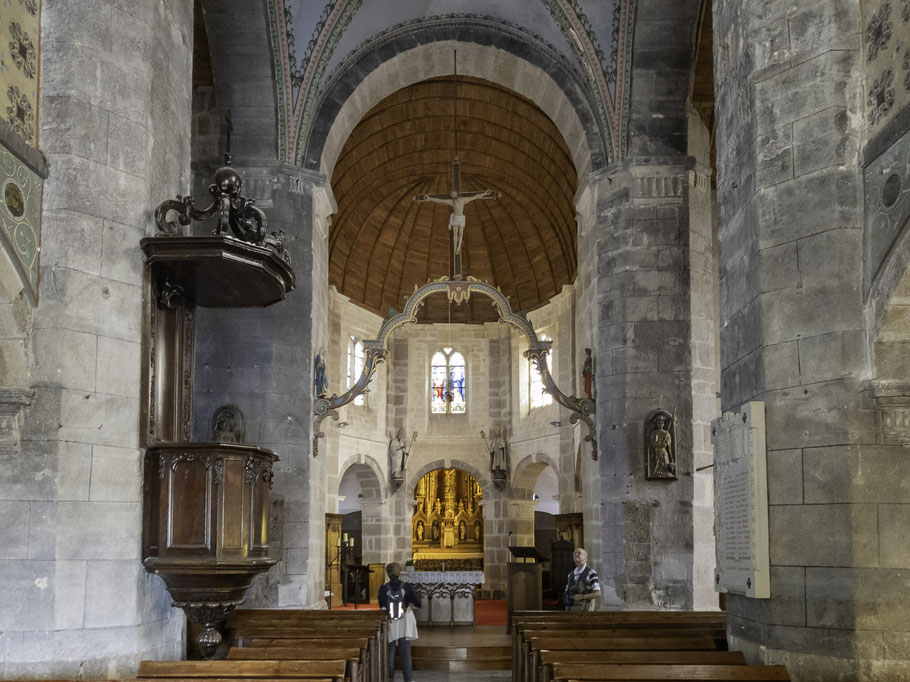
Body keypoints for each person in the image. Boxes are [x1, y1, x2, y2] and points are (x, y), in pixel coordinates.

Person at [378, 562, 421, 682]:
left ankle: (390, 678)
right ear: (399, 572)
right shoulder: (406, 586)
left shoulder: (383, 588)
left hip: (390, 621)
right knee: (405, 651)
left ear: (387, 573)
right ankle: (408, 679)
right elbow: (419, 603)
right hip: (404, 620)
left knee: (390, 651)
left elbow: (381, 605)